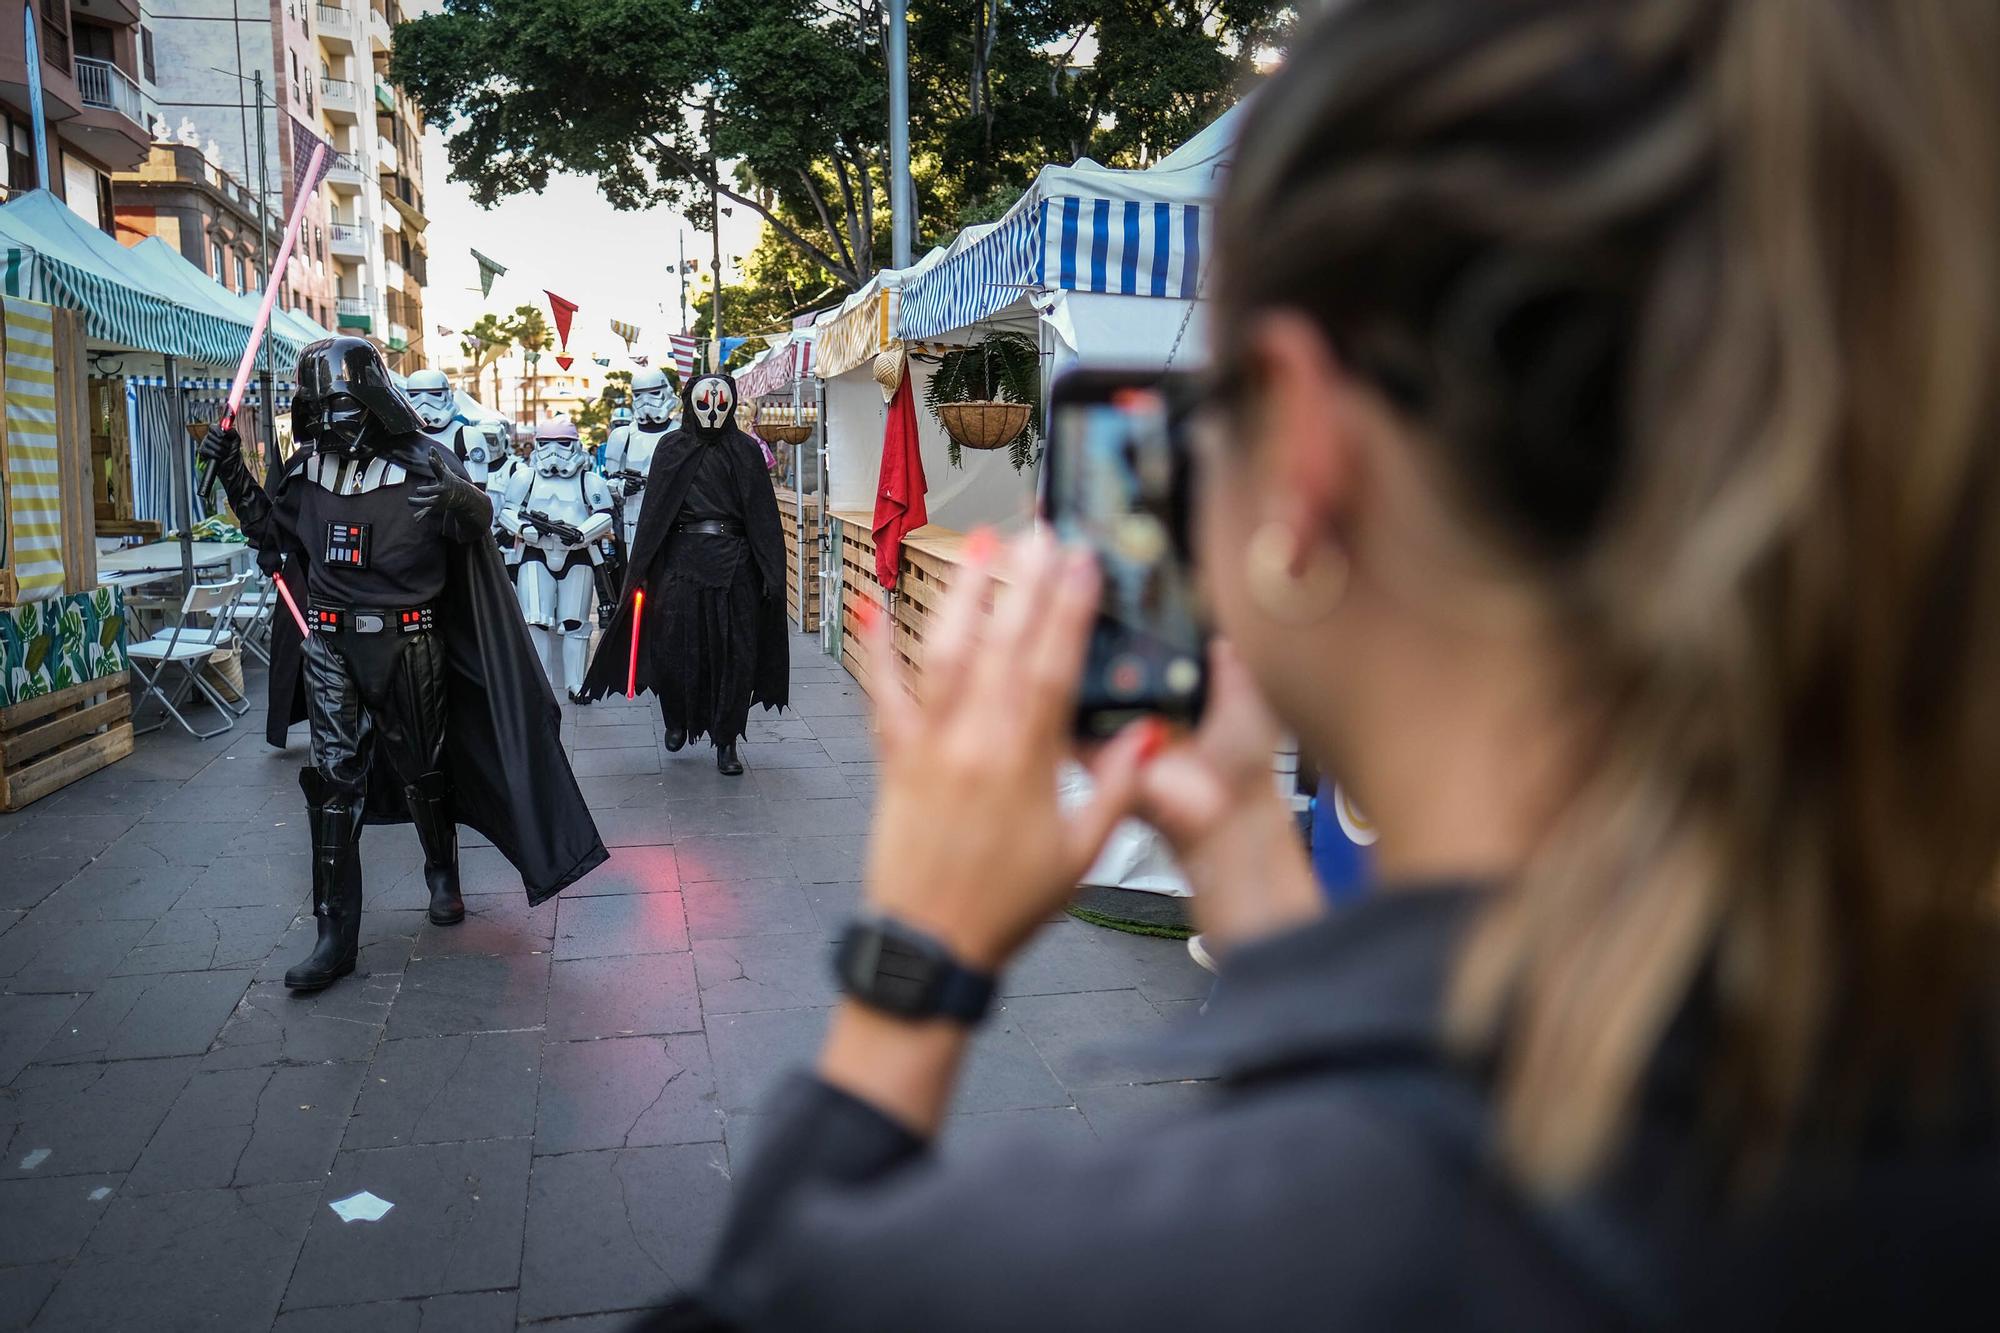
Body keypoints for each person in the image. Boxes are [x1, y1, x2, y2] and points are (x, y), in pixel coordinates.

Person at [660, 1, 2000, 1327]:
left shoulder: (1150, 1265)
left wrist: (919, 950)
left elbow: (773, 1295)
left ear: (1306, 447)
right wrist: (1249, 869)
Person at [200, 337, 606, 990]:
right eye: (321, 406)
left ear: (369, 398)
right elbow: (271, 535)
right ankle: (335, 933)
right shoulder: (307, 471)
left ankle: (440, 870)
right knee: (332, 782)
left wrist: (461, 499)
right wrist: (233, 475)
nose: (333, 420)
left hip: (408, 640)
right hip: (330, 642)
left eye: (342, 404)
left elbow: (478, 522)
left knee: (424, 768)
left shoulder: (426, 461)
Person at [582, 372, 787, 775]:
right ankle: (676, 718)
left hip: (735, 566)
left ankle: (726, 741)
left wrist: (769, 571)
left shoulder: (746, 451)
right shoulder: (670, 448)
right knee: (673, 649)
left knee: (735, 656)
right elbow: (655, 512)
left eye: (721, 404)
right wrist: (642, 570)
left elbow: (763, 516)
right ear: (690, 402)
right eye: (705, 403)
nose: (712, 411)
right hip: (679, 566)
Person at [498, 415, 617, 702]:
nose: (554, 451)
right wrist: (525, 529)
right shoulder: (525, 477)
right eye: (546, 443)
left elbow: (605, 516)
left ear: (575, 445)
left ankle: (576, 684)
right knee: (536, 620)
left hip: (577, 555)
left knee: (575, 623)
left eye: (562, 443)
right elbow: (507, 511)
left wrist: (581, 534)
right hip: (535, 552)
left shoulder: (589, 480)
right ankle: (542, 683)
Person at [604, 366, 679, 550]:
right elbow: (609, 482)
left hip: (674, 519)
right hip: (634, 519)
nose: (646, 401)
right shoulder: (623, 436)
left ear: (666, 393)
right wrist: (622, 487)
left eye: (653, 393)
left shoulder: (681, 432)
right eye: (639, 395)